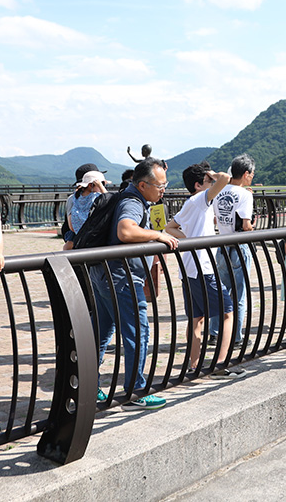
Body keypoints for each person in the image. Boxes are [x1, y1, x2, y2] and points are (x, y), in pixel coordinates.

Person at [92, 157, 179, 409]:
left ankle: (90, 386)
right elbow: (125, 231)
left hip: (104, 274)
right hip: (122, 278)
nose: (164, 190)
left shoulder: (125, 197)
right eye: (160, 186)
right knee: (138, 333)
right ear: (142, 185)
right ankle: (135, 391)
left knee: (101, 333)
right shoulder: (132, 203)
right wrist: (159, 235)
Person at [164, 163, 246, 379]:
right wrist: (213, 175)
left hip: (189, 269)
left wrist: (190, 241)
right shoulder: (200, 200)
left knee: (197, 319)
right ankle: (220, 365)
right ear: (199, 184)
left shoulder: (191, 202)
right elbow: (226, 179)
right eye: (208, 181)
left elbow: (169, 228)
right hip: (204, 268)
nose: (213, 184)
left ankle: (194, 365)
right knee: (228, 314)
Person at [212, 154, 256, 347]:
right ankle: (236, 337)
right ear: (246, 174)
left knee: (221, 292)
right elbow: (246, 225)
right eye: (252, 174)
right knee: (240, 294)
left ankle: (214, 333)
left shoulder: (219, 191)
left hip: (222, 246)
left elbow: (216, 219)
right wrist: (253, 225)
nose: (252, 177)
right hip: (239, 247)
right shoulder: (246, 194)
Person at [62, 163, 106, 249]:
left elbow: (71, 226)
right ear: (91, 184)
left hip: (74, 236)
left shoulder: (73, 198)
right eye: (101, 183)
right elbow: (110, 199)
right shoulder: (98, 197)